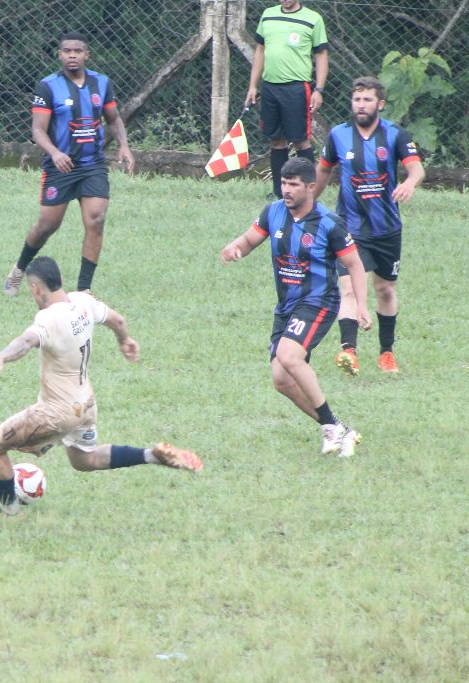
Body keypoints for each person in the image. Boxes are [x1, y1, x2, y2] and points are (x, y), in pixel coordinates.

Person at [0, 256, 202, 522]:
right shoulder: (82, 301)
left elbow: (26, 341)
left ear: (36, 288)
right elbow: (118, 321)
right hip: (85, 405)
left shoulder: (48, 318)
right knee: (85, 461)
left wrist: (0, 357)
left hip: (56, 412)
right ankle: (152, 455)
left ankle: (9, 515)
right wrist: (125, 340)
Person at [221, 158, 371, 457]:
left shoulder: (329, 223)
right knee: (281, 379)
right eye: (283, 183)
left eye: (293, 185)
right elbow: (249, 240)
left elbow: (355, 264)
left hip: (318, 302)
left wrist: (362, 306)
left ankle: (329, 428)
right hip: (286, 306)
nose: (286, 190)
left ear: (311, 187)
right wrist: (234, 247)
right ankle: (338, 427)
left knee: (289, 356)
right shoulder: (273, 212)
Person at [3, 32, 134, 297]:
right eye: (67, 51)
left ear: (87, 55)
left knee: (96, 219)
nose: (72, 55)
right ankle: (19, 268)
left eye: (77, 51)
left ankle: (84, 291)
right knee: (47, 226)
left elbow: (113, 118)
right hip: (60, 167)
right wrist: (54, 153)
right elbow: (38, 129)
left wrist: (124, 145)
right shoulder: (48, 86)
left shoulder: (101, 83)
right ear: (60, 55)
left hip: (92, 164)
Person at [314, 76, 424, 375]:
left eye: (367, 100)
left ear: (380, 104)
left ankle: (386, 353)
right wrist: (309, 203)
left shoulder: (396, 135)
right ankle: (348, 352)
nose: (361, 105)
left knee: (384, 289)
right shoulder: (338, 135)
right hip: (349, 227)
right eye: (357, 99)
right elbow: (323, 171)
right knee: (349, 287)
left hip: (387, 229)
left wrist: (409, 183)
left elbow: (416, 168)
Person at [245, 0, 329, 199]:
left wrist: (319, 89)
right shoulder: (268, 15)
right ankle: (280, 193)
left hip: (296, 89)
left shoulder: (313, 19)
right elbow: (260, 50)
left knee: (300, 141)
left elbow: (321, 55)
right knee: (276, 140)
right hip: (270, 87)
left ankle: (308, 192)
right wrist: (253, 86)